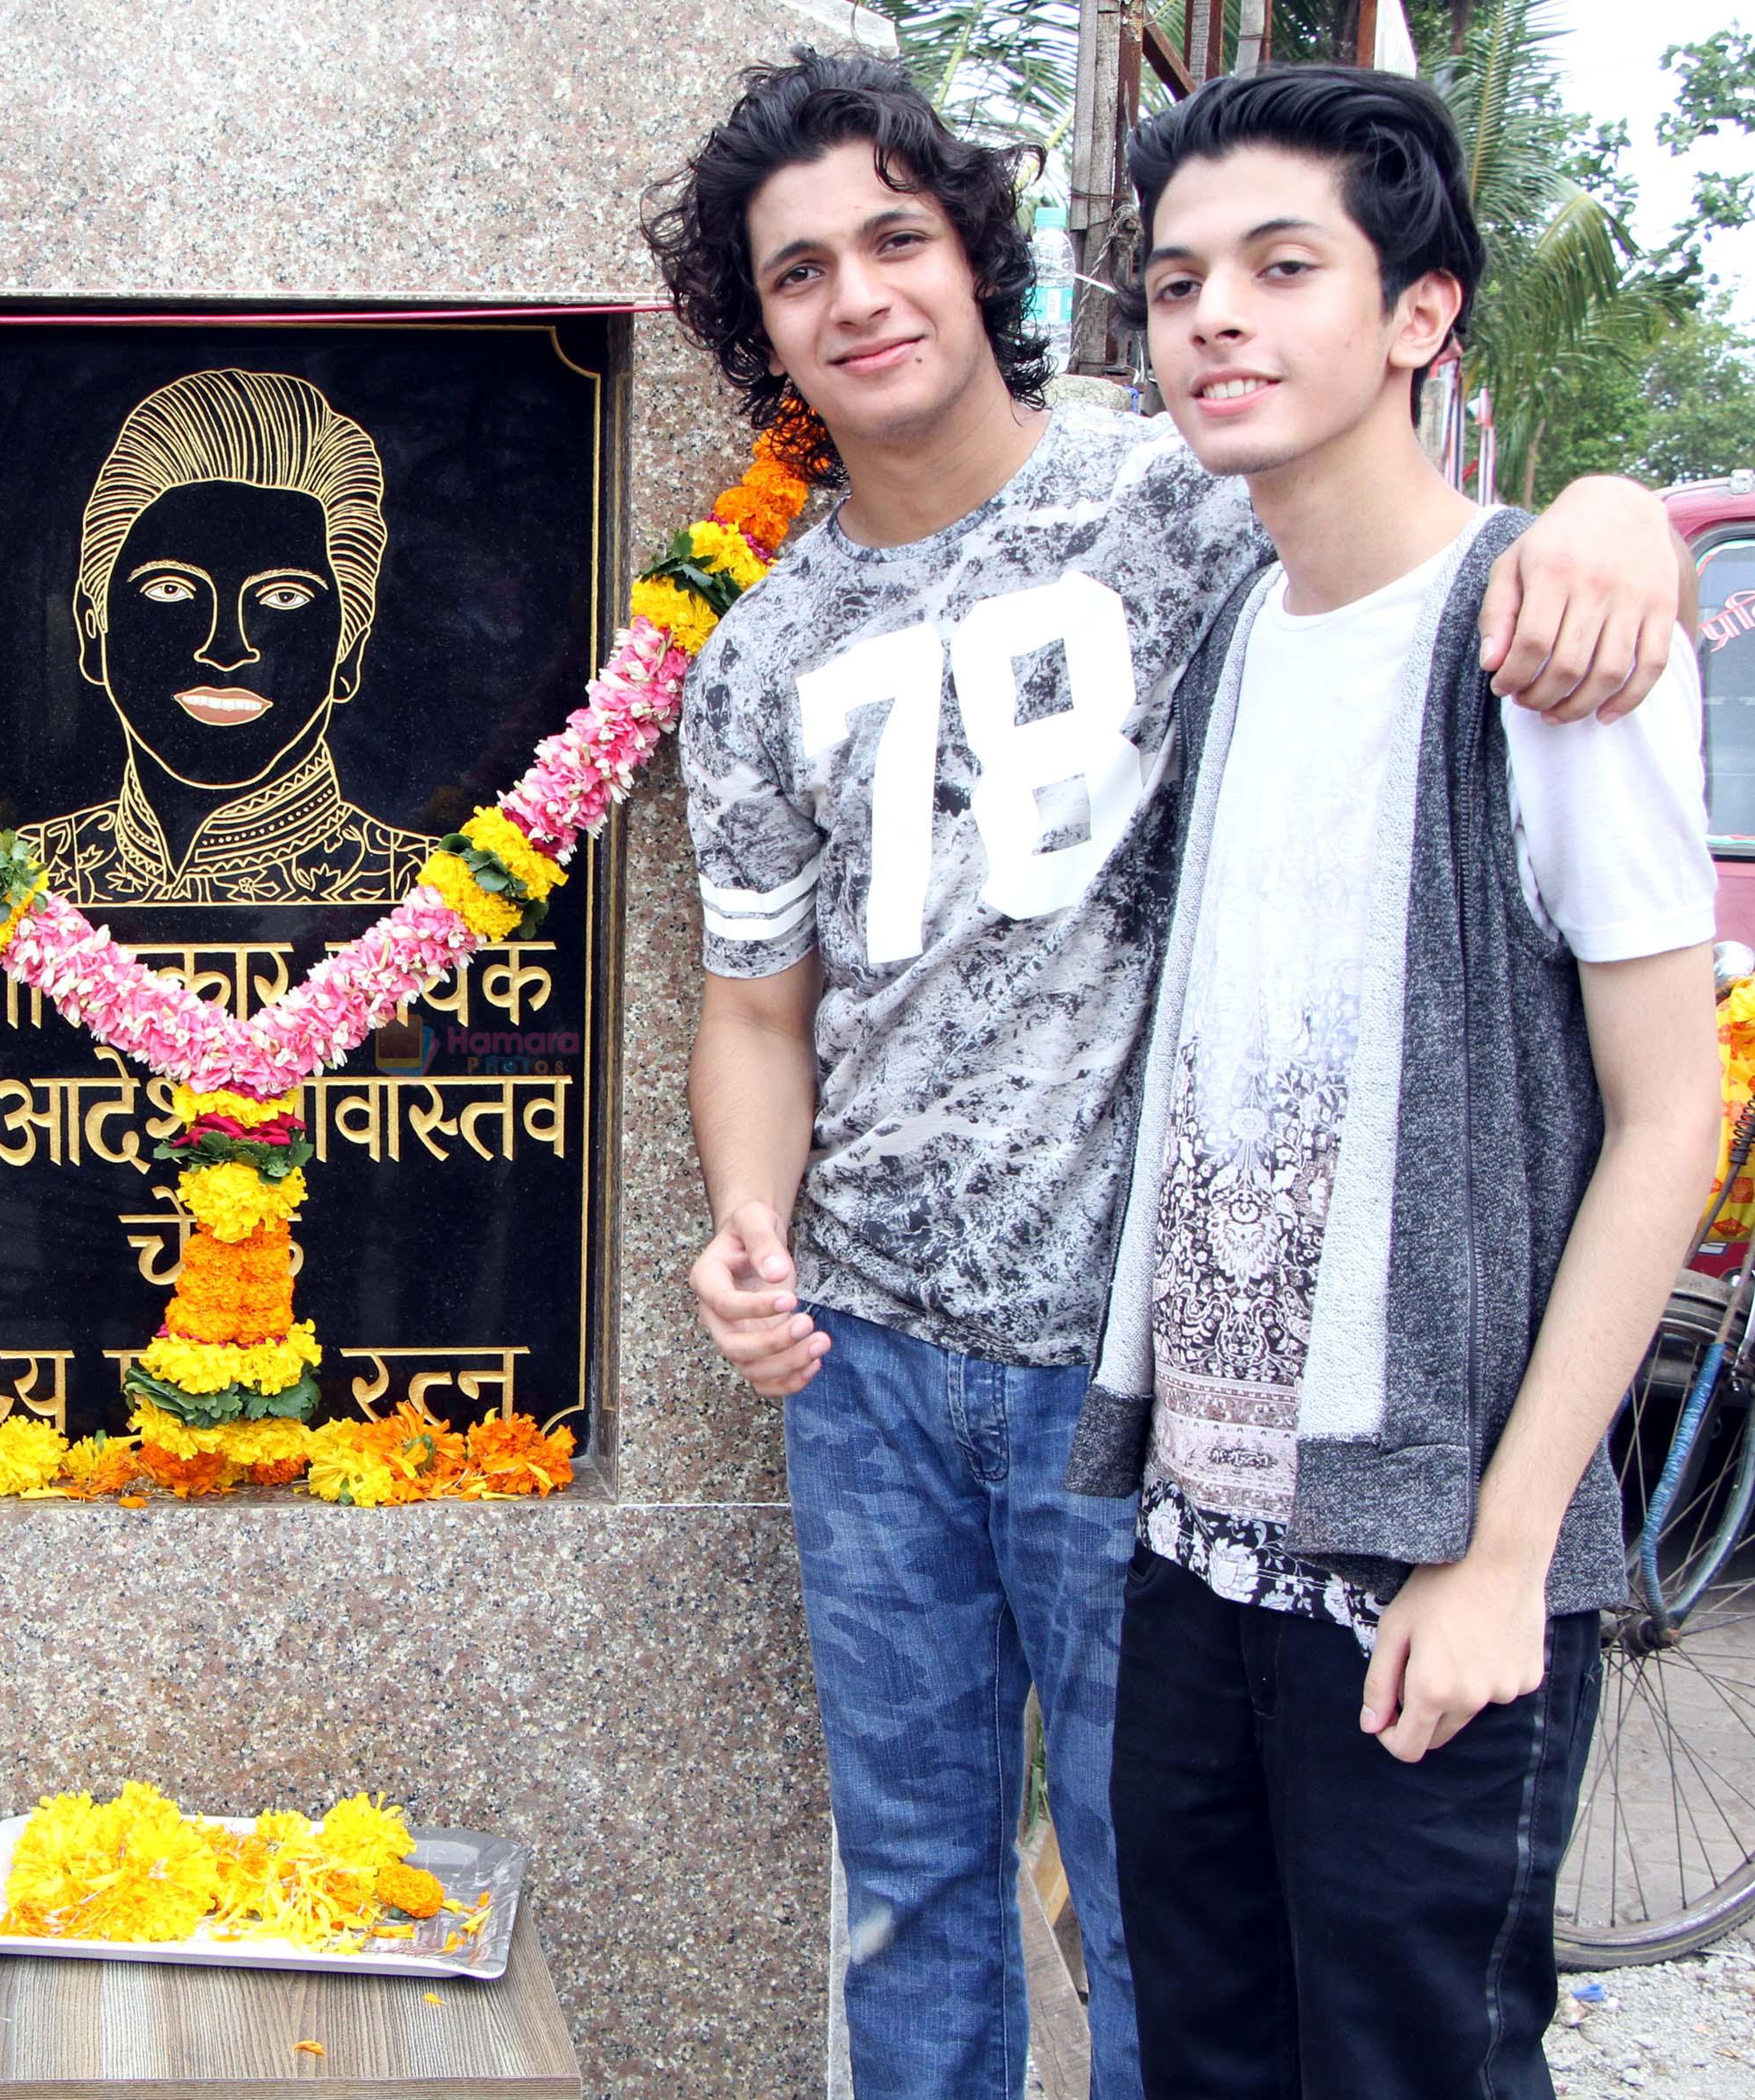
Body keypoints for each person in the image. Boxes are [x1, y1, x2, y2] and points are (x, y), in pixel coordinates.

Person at [645, 47, 1694, 2100]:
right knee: (914, 1882)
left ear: (979, 260)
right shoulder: (755, 651)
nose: (856, 296)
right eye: (796, 275)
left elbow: (1425, 536)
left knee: (1162, 1918)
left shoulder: (1175, 493)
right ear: (752, 330)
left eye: (894, 239)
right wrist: (747, 1219)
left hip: (1142, 1392)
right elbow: (753, 1008)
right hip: (866, 1370)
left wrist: (1615, 510)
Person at [1073, 66, 1716, 2098]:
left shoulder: (1539, 648)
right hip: (1199, 1542)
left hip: (1425, 1554)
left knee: (1412, 2061)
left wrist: (1508, 1547)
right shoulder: (1237, 621)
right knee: (1200, 2053)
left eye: (1283, 268)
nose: (1216, 321)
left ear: (1417, 315)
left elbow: (1667, 1113)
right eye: (1176, 282)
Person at [21, 366, 435, 904]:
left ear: (349, 648)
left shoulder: (435, 900)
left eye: (284, 597)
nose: (224, 649)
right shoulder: (7, 883)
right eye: (170, 590)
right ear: (93, 626)